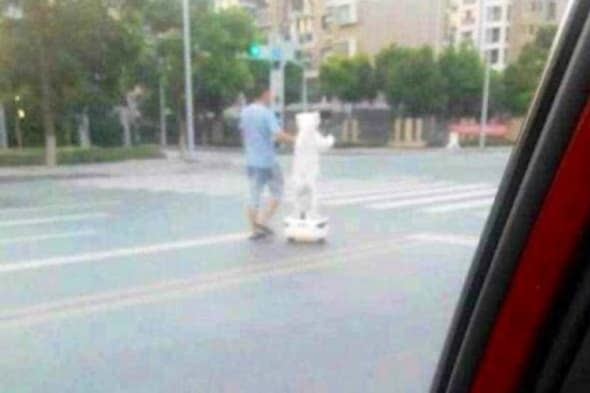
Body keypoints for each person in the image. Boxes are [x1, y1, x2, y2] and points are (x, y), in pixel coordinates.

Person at [239, 85, 294, 240]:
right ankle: (262, 221)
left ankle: (254, 229)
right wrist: (296, 140)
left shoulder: (245, 112)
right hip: (268, 161)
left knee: (254, 195)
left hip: (251, 160)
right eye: (270, 94)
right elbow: (278, 134)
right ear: (264, 94)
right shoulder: (266, 113)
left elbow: (244, 133)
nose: (271, 97)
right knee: (277, 191)